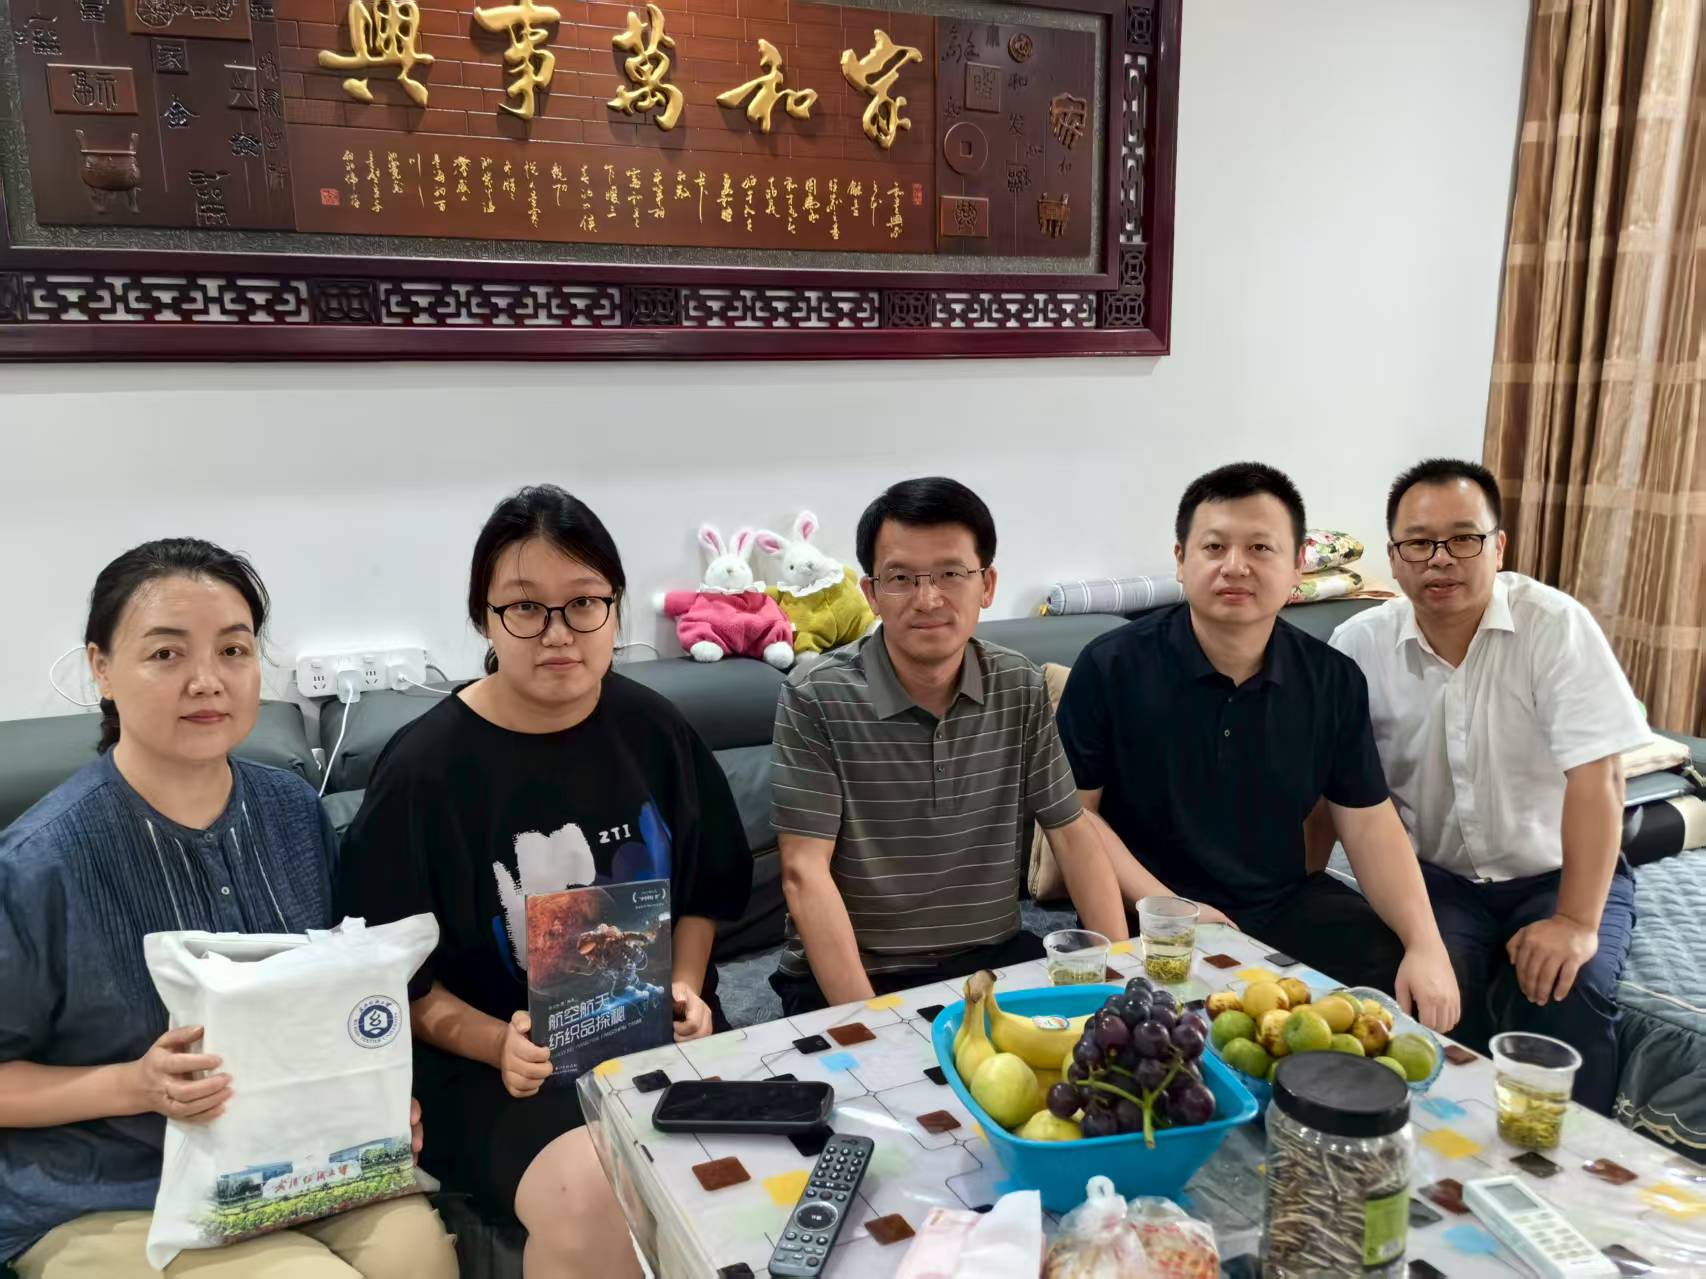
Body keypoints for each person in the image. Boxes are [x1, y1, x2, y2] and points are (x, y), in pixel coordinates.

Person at [0, 539, 457, 1279]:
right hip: (111, 1188)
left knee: (419, 1256)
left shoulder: (292, 810)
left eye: (234, 650)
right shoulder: (38, 861)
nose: (207, 680)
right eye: (166, 654)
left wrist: (371, 1100)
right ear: (101, 669)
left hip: (294, 1159)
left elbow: (333, 993)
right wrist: (134, 1084)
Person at [338, 485, 750, 1279]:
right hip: (497, 1073)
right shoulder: (424, 771)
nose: (558, 632)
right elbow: (387, 978)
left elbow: (706, 888)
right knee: (596, 1189)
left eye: (584, 603)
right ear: (485, 618)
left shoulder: (655, 729)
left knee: (780, 1146)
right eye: (526, 607)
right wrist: (498, 1042)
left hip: (657, 1035)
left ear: (615, 608)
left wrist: (687, 986)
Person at [1055, 462, 1460, 1030]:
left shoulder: (1333, 679)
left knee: (1397, 984)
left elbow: (1369, 822)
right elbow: (1077, 816)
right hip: (1145, 910)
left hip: (1280, 906)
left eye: (1260, 548)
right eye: (1214, 546)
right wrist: (1173, 909)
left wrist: (1425, 943)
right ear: (1181, 560)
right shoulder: (1111, 665)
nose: (1235, 566)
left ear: (1297, 567)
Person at [1328, 459, 1648, 1110]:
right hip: (1436, 879)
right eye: (1419, 542)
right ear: (1394, 559)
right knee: (1423, 996)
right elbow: (1329, 788)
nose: (1441, 558)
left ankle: (1575, 1160)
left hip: (1556, 874)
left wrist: (1575, 921)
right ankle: (1446, 1149)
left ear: (1498, 547)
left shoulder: (1554, 626)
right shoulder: (1357, 645)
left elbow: (1599, 776)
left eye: (1464, 538)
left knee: (1570, 987)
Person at [769, 477, 1127, 1016]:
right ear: (871, 594)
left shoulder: (1019, 685)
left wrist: (1120, 977)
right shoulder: (815, 696)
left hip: (990, 960)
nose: (928, 598)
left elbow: (1072, 833)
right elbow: (804, 874)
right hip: (856, 973)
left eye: (951, 574)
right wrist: (874, 1024)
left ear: (987, 584)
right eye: (901, 578)